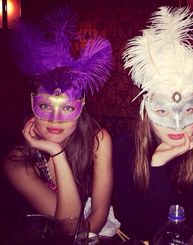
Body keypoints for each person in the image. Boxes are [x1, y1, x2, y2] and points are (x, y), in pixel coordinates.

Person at [112, 6, 193, 245]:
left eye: (189, 109)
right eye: (162, 110)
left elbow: (182, 225)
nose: (177, 125)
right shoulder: (122, 148)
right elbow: (132, 222)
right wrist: (156, 162)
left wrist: (157, 168)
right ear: (146, 109)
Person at [3, 7, 114, 236]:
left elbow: (98, 217)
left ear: (81, 106)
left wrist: (82, 237)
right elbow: (68, 223)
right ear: (32, 104)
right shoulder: (16, 163)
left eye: (67, 107)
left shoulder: (99, 140)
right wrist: (56, 153)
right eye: (45, 106)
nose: (55, 119)